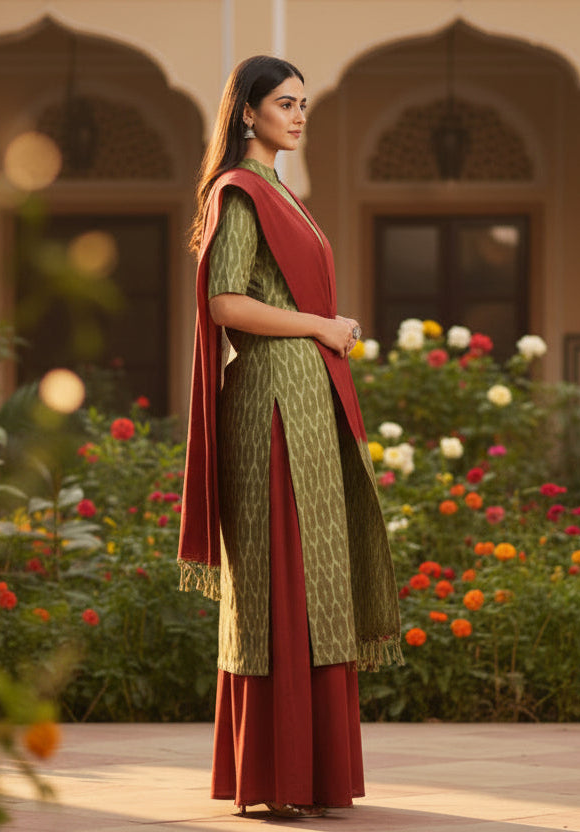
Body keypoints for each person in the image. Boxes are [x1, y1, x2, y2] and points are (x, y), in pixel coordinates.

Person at [178, 55, 403, 819]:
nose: (299, 115)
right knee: (281, 572)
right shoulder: (240, 194)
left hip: (307, 396)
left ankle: (312, 772)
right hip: (272, 399)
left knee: (318, 573)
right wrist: (318, 326)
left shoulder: (281, 191)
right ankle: (278, 776)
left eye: (304, 103)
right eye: (285, 103)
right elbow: (224, 304)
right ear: (248, 112)